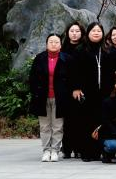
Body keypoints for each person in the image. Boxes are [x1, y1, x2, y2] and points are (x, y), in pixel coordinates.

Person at [30, 32, 74, 162]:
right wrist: (35, 93)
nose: (53, 44)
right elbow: (32, 79)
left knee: (57, 126)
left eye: (56, 42)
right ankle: (46, 150)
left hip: (60, 98)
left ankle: (55, 150)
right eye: (51, 42)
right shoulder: (39, 58)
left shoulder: (67, 59)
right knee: (44, 126)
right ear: (46, 44)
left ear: (60, 45)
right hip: (42, 97)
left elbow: (71, 79)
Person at [68, 23, 106, 161]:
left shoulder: (105, 49)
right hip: (85, 92)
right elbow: (74, 70)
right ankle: (86, 152)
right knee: (85, 122)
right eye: (93, 30)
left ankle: (98, 151)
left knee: (99, 121)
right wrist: (76, 87)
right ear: (88, 33)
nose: (96, 33)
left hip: (102, 92)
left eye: (99, 31)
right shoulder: (81, 49)